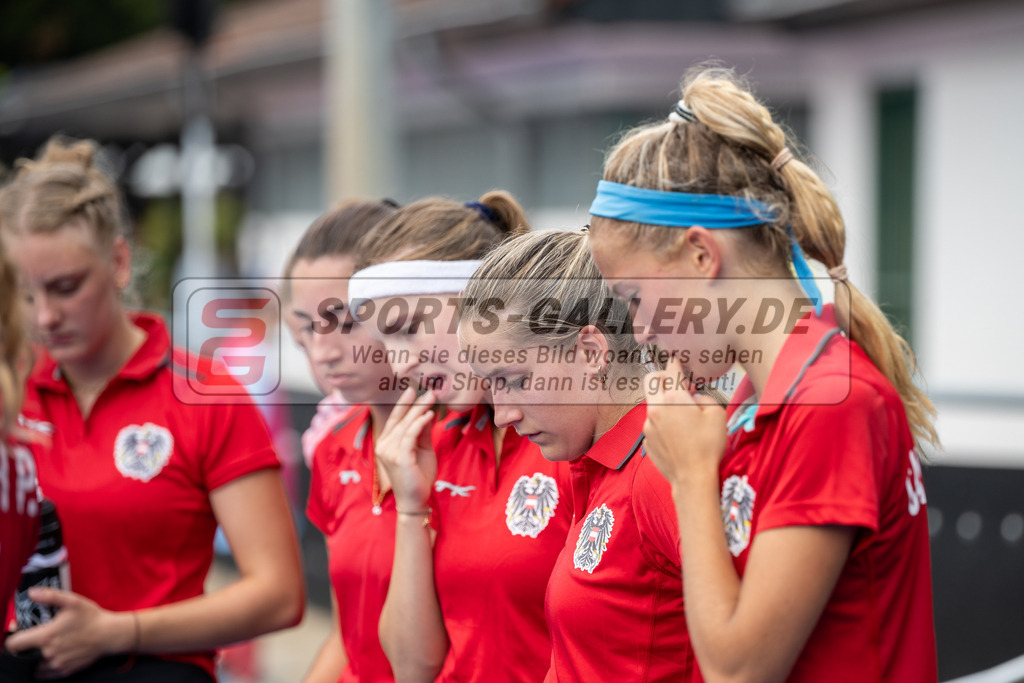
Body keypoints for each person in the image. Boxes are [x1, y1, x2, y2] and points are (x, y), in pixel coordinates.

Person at [586, 65, 939, 682]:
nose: (640, 331)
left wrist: (691, 477)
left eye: (634, 298)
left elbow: (739, 671)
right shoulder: (756, 398)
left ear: (702, 254)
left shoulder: (830, 403)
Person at [0, 136, 304, 681]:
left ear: (118, 262)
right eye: (26, 294)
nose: (45, 316)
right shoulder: (10, 394)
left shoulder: (204, 392)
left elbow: (279, 594)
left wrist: (120, 631)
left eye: (66, 287)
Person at [457, 229, 705, 681]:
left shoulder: (661, 469)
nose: (502, 414)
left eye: (514, 380)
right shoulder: (596, 465)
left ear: (590, 352)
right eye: (489, 385)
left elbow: (752, 652)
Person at [348, 192, 571, 682]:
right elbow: (412, 667)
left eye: (408, 328)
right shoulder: (442, 441)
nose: (400, 364)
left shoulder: (573, 435)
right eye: (386, 343)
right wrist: (411, 510)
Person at [283, 199, 403, 683]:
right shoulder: (332, 447)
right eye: (307, 328)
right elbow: (350, 635)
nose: (323, 351)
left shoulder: (486, 440)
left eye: (347, 322)